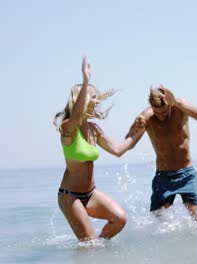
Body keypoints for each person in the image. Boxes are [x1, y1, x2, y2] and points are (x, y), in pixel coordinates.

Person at [54, 56, 143, 241]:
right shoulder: (68, 128)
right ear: (80, 99)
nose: (97, 101)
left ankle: (97, 252)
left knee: (119, 219)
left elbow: (119, 150)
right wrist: (86, 80)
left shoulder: (94, 129)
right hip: (70, 197)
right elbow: (77, 114)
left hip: (90, 193)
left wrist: (140, 129)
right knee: (89, 244)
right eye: (93, 98)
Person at [128, 85, 197, 221]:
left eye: (164, 112)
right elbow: (129, 142)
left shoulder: (179, 106)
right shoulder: (147, 116)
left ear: (170, 104)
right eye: (156, 112)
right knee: (157, 225)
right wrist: (134, 126)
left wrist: (175, 102)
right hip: (163, 177)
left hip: (187, 174)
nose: (160, 116)